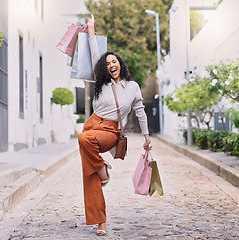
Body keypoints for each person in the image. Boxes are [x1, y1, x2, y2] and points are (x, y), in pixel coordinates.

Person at [78, 15, 151, 236]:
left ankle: (102, 167)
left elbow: (140, 112)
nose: (111, 65)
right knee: (89, 175)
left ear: (120, 64)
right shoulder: (101, 83)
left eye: (114, 62)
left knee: (84, 140)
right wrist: (91, 29)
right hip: (92, 124)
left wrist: (147, 138)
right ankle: (100, 221)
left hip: (110, 131)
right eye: (107, 63)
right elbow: (93, 52)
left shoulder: (133, 87)